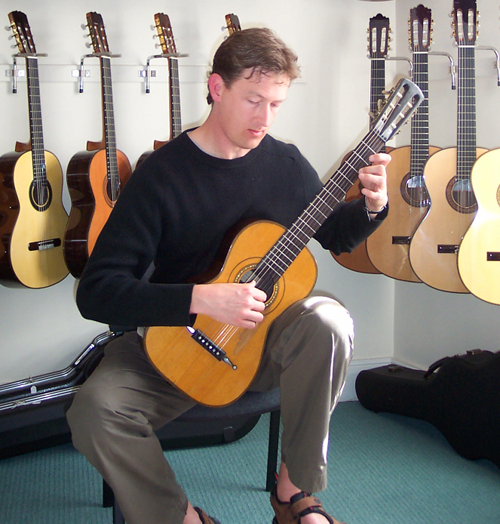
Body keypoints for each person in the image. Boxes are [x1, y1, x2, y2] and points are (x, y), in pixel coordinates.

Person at [67, 27, 390, 524]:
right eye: (253, 100)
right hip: (174, 346)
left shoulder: (284, 163)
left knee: (329, 318)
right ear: (217, 89)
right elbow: (98, 293)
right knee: (94, 412)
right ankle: (179, 517)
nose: (265, 118)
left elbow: (335, 235)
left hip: (262, 347)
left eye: (276, 104)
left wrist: (373, 205)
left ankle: (293, 494)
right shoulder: (162, 174)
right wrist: (201, 299)